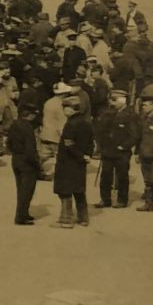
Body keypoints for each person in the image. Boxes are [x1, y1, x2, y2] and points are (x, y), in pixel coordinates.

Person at [54, 93, 95, 229]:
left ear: (70, 109)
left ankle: (66, 219)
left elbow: (69, 143)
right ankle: (83, 218)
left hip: (68, 162)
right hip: (80, 163)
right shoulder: (86, 123)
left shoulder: (70, 124)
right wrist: (86, 155)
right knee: (79, 190)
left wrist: (79, 155)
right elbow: (91, 143)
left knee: (65, 191)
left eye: (64, 108)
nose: (64, 111)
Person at [94, 88, 140, 209]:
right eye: (111, 100)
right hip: (108, 150)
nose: (111, 103)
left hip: (122, 152)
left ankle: (122, 200)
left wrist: (123, 146)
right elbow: (100, 130)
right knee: (105, 176)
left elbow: (135, 135)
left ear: (123, 100)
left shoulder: (130, 115)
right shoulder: (108, 113)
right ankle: (105, 199)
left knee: (122, 176)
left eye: (114, 100)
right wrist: (101, 144)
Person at [7, 100, 41, 225]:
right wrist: (37, 164)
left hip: (16, 159)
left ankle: (24, 213)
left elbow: (8, 143)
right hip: (27, 163)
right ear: (30, 114)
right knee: (27, 191)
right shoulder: (28, 128)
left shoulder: (14, 124)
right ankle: (21, 217)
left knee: (20, 189)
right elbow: (30, 149)